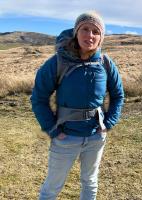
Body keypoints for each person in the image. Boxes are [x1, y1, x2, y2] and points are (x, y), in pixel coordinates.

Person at [30, 11, 124, 200]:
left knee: (90, 182)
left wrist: (108, 123)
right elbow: (38, 98)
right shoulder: (57, 62)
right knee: (51, 188)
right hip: (65, 137)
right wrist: (53, 129)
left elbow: (118, 95)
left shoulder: (105, 63)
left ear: (101, 37)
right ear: (76, 32)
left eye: (95, 31)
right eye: (85, 29)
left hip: (96, 137)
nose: (90, 35)